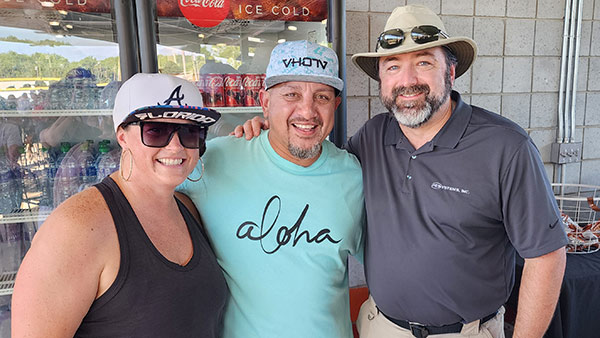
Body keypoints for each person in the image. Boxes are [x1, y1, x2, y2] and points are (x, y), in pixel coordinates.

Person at [234, 5, 568, 338]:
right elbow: (317, 164)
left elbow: (547, 257)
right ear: (382, 78)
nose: (407, 81)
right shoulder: (374, 136)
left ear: (450, 73)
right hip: (379, 326)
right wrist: (274, 131)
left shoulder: (506, 147)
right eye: (393, 66)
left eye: (424, 63)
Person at [11, 73, 228, 337]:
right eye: (156, 131)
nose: (175, 146)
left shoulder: (188, 209)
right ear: (123, 137)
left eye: (190, 132)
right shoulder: (78, 226)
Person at [177, 40, 365, 338]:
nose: (307, 111)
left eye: (322, 97)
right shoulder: (212, 161)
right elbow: (141, 199)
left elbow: (390, 263)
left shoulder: (354, 175)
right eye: (291, 94)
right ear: (264, 102)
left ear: (336, 105)